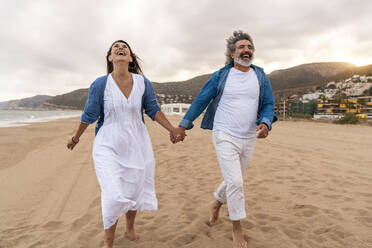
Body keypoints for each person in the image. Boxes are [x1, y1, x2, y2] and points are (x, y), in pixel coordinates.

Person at [67, 40, 177, 248]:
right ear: (110, 57)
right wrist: (76, 138)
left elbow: (153, 109)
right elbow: (89, 115)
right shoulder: (101, 83)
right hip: (107, 143)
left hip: (137, 143)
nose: (120, 48)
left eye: (124, 47)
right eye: (115, 47)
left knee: (133, 188)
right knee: (112, 191)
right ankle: (109, 243)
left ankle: (130, 227)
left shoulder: (143, 82)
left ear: (130, 57)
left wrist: (172, 129)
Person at [173, 31, 277, 248]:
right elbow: (202, 99)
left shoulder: (260, 76)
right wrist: (184, 125)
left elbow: (268, 103)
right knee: (236, 182)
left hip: (249, 136)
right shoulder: (221, 76)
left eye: (249, 47)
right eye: (241, 47)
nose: (246, 50)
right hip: (224, 134)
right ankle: (236, 227)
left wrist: (266, 122)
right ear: (232, 53)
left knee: (234, 178)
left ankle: (216, 203)